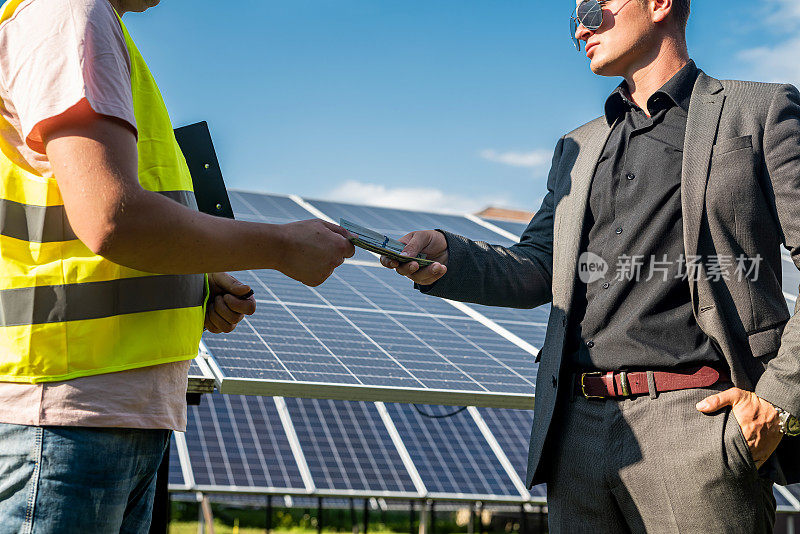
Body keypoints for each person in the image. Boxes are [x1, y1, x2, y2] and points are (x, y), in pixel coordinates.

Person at [382, 0, 800, 531]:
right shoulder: (577, 147)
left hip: (698, 423)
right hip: (574, 434)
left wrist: (778, 403)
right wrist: (451, 256)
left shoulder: (758, 111)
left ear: (658, 5)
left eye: (593, 9)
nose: (580, 28)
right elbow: (539, 267)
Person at [0, 0, 354, 531]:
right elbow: (114, 219)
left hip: (103, 407)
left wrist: (195, 279)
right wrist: (282, 247)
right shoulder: (70, 14)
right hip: (69, 405)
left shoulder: (86, 22)